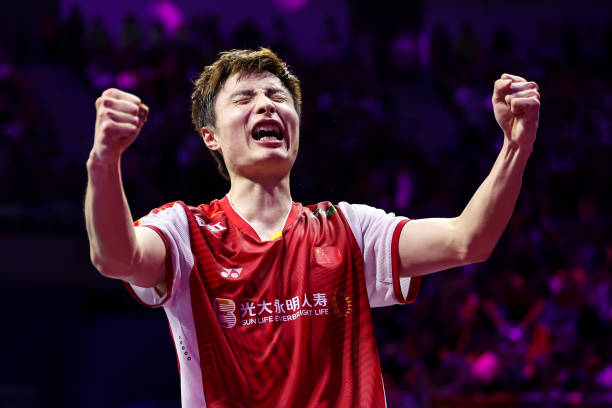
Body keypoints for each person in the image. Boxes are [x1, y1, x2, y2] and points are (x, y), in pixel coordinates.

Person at [84, 48, 540, 407]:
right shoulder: (187, 232)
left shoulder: (350, 229)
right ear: (211, 136)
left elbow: (468, 241)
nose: (266, 105)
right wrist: (104, 161)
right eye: (244, 98)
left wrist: (515, 147)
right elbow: (115, 257)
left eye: (278, 97)